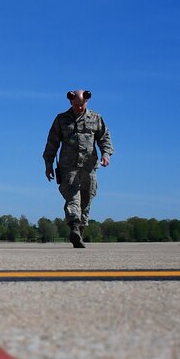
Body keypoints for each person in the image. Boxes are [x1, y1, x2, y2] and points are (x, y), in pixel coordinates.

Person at [43, 90, 114, 248]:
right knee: (73, 197)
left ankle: (79, 232)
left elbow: (104, 138)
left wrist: (106, 154)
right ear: (70, 102)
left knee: (87, 198)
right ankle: (74, 226)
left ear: (86, 102)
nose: (79, 108)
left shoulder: (96, 118)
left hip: (89, 168)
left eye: (82, 105)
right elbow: (52, 142)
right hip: (68, 167)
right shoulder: (61, 119)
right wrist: (48, 164)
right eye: (76, 105)